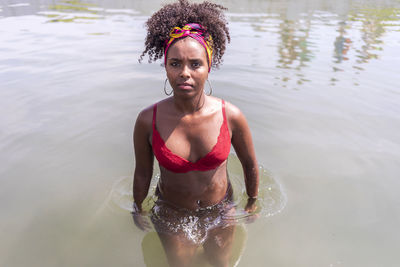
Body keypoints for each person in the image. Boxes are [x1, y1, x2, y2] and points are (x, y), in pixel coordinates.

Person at [132, 1, 259, 266]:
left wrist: (252, 202)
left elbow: (249, 163)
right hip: (171, 212)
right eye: (175, 63)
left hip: (221, 210)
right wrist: (137, 207)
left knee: (220, 264)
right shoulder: (147, 120)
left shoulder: (231, 116)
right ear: (165, 67)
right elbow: (143, 172)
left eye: (195, 64)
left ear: (208, 67)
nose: (185, 73)